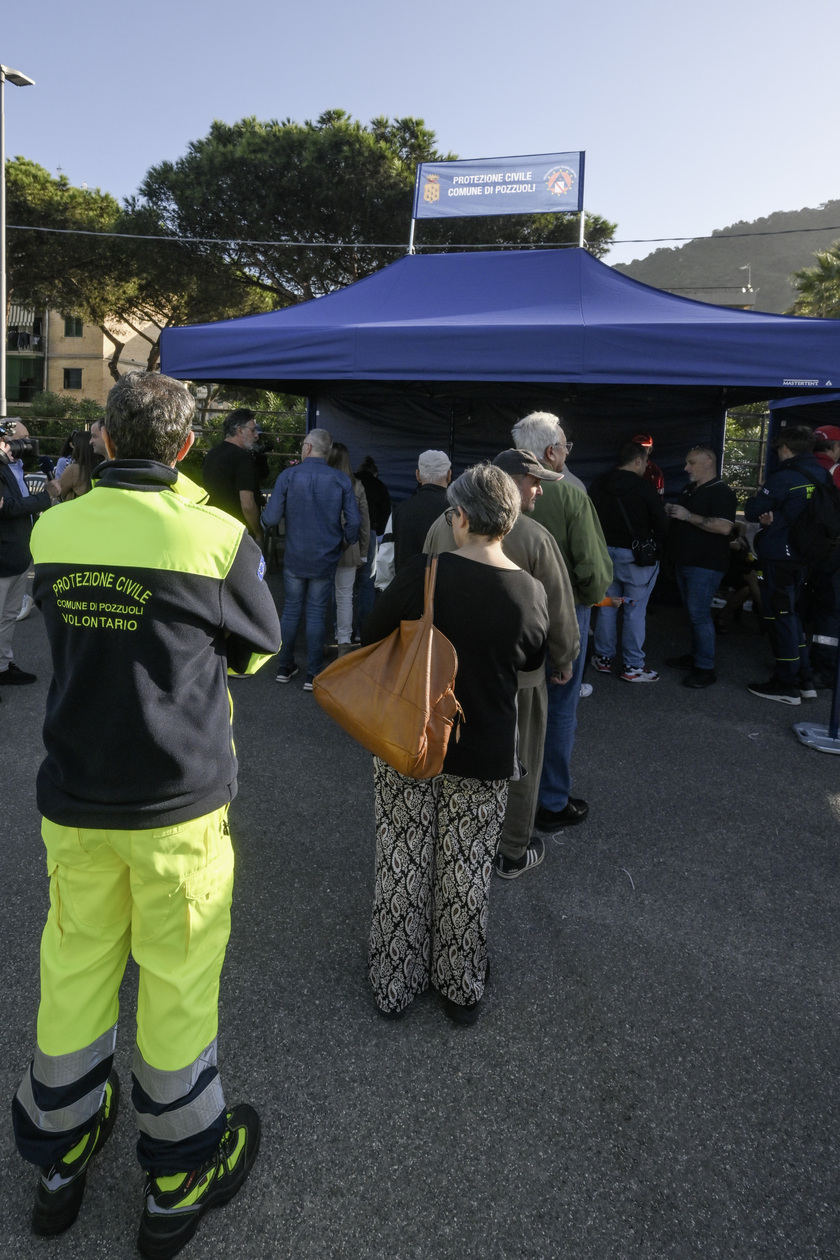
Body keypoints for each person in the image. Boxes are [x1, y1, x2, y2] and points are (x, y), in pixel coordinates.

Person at [11, 372, 281, 1258]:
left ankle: (58, 1156)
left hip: (76, 792)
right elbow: (253, 654)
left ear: (101, 439)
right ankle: (180, 1170)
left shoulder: (56, 526)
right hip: (176, 805)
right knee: (175, 979)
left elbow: (64, 624)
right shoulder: (217, 537)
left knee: (76, 965)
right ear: (182, 448)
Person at [362, 463, 549, 1023]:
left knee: (402, 857)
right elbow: (531, 663)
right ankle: (460, 984)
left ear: (461, 517)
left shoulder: (425, 573)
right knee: (466, 868)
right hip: (485, 747)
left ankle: (395, 982)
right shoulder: (529, 592)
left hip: (410, 739)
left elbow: (373, 634)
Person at [423, 449, 579, 878]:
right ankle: (512, 849)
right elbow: (558, 609)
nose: (539, 490)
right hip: (519, 678)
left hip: (446, 671)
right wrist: (565, 657)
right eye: (533, 481)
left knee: (448, 750)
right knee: (520, 761)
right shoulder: (533, 537)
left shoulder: (444, 526)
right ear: (509, 482)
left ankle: (452, 839)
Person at [511, 411, 612, 832]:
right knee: (560, 709)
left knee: (512, 705)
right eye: (566, 446)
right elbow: (593, 570)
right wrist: (586, 601)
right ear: (552, 452)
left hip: (510, 612)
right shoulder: (571, 493)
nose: (568, 453)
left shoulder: (492, 489)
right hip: (562, 615)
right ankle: (550, 800)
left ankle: (507, 793)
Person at [263, 427, 360, 689]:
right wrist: (344, 542)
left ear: (307, 448)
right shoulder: (341, 480)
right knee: (317, 612)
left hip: (294, 555)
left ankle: (285, 666)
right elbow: (354, 523)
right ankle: (313, 673)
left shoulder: (288, 476)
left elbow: (270, 518)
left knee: (291, 610)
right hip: (326, 557)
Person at [744, 425, 831, 703]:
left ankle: (786, 682)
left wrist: (760, 501)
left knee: (780, 618)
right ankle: (805, 677)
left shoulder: (785, 477)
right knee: (791, 615)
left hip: (780, 556)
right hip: (807, 556)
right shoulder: (821, 475)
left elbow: (752, 510)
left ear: (784, 448)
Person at [589, 440, 668, 682]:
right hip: (635, 560)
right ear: (637, 460)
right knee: (634, 611)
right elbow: (661, 525)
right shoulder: (645, 489)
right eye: (645, 462)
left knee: (607, 607)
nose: (646, 467)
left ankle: (603, 658)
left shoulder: (598, 484)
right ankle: (633, 666)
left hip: (604, 556)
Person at [664, 446, 736, 688]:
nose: (686, 468)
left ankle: (705, 668)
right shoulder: (690, 489)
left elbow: (725, 527)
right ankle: (696, 658)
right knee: (694, 614)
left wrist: (686, 516)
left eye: (691, 463)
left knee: (699, 615)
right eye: (686, 462)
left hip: (705, 564)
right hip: (685, 561)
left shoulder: (721, 491)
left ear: (708, 462)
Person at [0, 421, 62, 688]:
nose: (28, 445)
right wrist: (45, 497)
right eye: (22, 440)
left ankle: (2, 666)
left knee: (9, 616)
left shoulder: (17, 467)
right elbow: (7, 508)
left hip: (19, 555)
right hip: (2, 558)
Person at [375, 449, 451, 587]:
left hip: (408, 593)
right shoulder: (460, 512)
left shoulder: (400, 511)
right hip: (449, 594)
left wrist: (386, 593)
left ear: (418, 475)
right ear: (449, 475)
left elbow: (386, 560)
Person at [327, 442, 370, 655]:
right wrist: (363, 551)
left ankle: (322, 641)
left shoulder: (321, 482)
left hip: (321, 548)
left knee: (318, 598)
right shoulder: (357, 485)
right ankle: (344, 643)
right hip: (349, 548)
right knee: (345, 597)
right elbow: (364, 522)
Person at [201, 408, 263, 544]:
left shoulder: (212, 454)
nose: (256, 435)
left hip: (212, 527)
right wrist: (258, 533)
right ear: (240, 430)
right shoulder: (243, 458)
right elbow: (247, 504)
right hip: (237, 533)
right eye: (253, 430)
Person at [354, 455, 391, 633]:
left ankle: (341, 631)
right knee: (367, 584)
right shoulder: (380, 486)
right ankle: (363, 629)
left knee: (341, 585)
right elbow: (385, 516)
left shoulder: (351, 480)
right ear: (374, 473)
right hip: (370, 534)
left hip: (348, 534)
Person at [57, 430, 98, 500]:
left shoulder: (73, 469)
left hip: (75, 508)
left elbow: (59, 494)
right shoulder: (101, 466)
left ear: (78, 448)